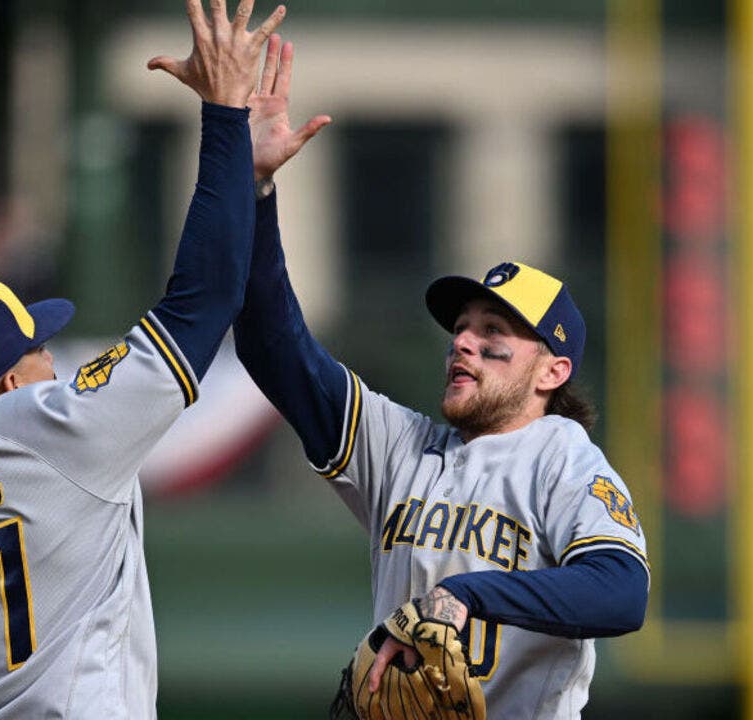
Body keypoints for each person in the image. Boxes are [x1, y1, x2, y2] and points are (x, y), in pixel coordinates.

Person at [0, 2, 286, 717]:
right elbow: (202, 304)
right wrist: (224, 116)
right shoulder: (43, 433)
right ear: (8, 383)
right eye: (36, 349)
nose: (50, 362)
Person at [235, 43, 649, 718]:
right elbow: (271, 346)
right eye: (462, 326)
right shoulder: (403, 448)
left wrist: (473, 594)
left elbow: (620, 592)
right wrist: (252, 191)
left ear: (554, 370)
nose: (464, 341)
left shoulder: (561, 458)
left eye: (495, 334)